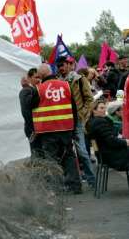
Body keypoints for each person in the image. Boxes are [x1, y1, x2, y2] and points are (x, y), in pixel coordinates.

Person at [30, 63, 82, 194]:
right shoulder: (66, 85)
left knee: (51, 159)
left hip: (48, 130)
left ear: (41, 75)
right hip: (66, 128)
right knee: (69, 156)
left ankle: (56, 187)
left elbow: (30, 106)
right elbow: (74, 109)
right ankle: (75, 186)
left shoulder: (38, 89)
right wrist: (74, 128)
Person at [57, 56, 96, 188]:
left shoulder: (79, 79)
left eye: (63, 65)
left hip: (77, 120)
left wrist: (83, 115)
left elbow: (90, 99)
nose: (61, 68)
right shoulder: (57, 82)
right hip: (64, 122)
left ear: (69, 65)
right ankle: (74, 183)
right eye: (59, 66)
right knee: (67, 153)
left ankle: (92, 181)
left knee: (82, 153)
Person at [87, 100, 129, 171]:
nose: (104, 110)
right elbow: (111, 140)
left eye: (104, 108)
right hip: (114, 157)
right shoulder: (100, 122)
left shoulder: (93, 122)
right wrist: (126, 142)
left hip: (105, 156)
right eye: (101, 108)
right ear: (94, 110)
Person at [19, 68, 42, 157]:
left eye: (39, 77)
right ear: (29, 78)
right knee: (37, 155)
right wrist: (33, 129)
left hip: (39, 128)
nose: (38, 80)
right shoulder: (27, 90)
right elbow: (25, 112)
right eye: (36, 77)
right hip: (33, 129)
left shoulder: (38, 89)